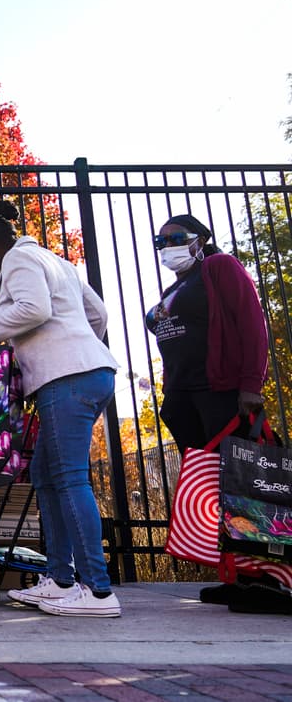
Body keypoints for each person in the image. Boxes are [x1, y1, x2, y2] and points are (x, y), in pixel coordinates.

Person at [0, 200, 121, 618]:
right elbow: (98, 314)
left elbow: (35, 309)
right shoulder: (57, 261)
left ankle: (99, 592)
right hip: (89, 372)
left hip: (65, 379)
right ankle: (60, 579)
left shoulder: (17, 260)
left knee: (69, 478)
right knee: (45, 476)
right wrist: (75, 346)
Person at [145, 213, 270, 607]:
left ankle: (264, 580)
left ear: (199, 239)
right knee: (215, 490)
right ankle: (234, 576)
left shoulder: (220, 267)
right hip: (184, 398)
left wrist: (251, 384)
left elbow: (252, 322)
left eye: (176, 238)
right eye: (160, 242)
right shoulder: (176, 287)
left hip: (221, 393)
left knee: (242, 486)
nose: (167, 247)